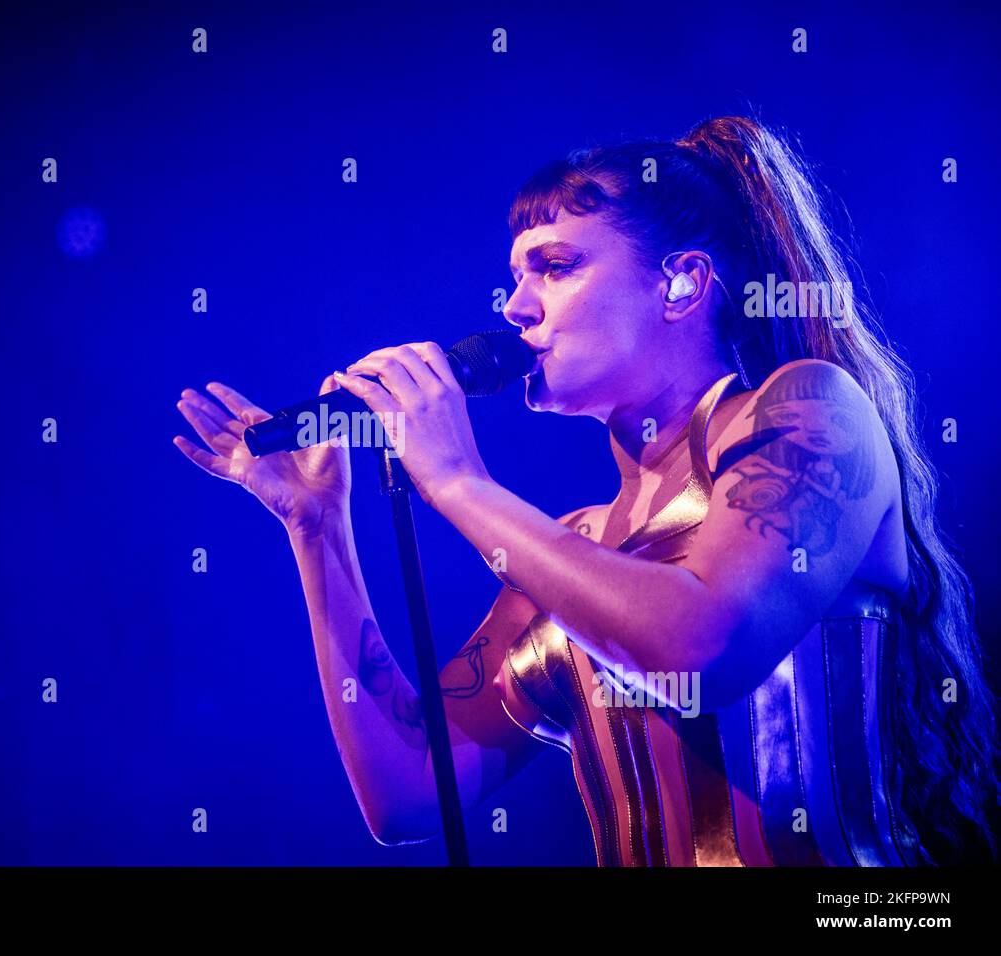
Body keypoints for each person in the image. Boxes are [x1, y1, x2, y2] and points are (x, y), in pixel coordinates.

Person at [172, 116, 997, 865]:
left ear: (681, 284)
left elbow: (698, 651)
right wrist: (316, 526)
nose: (516, 307)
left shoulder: (811, 409)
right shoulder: (577, 545)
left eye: (556, 268)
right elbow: (408, 793)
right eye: (515, 276)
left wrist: (459, 480)